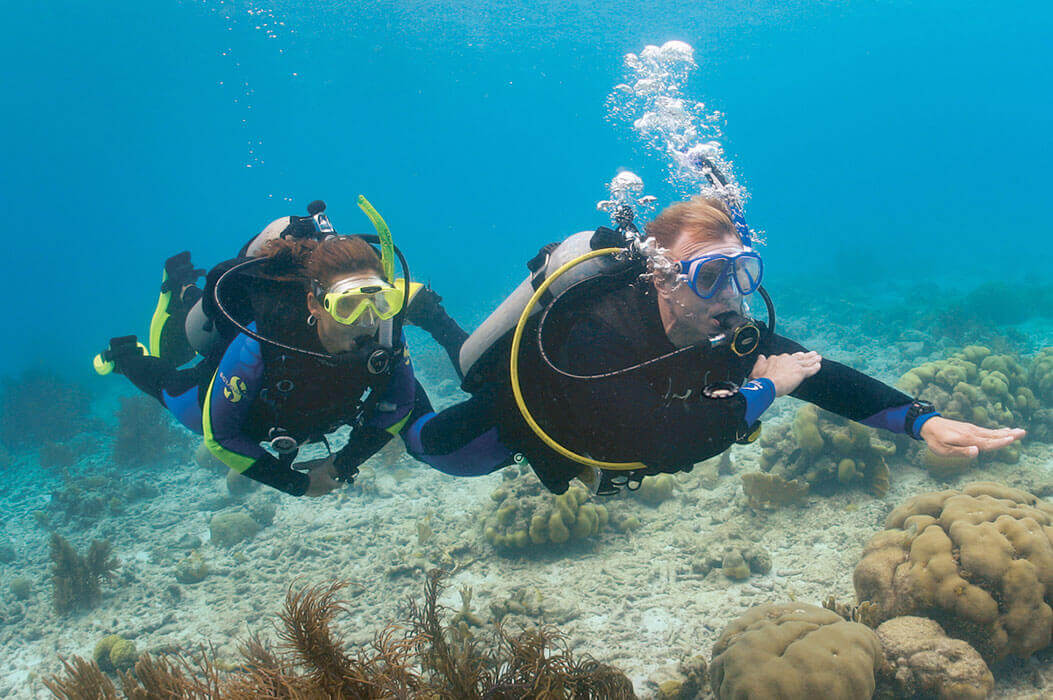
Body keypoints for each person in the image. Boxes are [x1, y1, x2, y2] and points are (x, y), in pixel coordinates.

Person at [405, 192, 1026, 495]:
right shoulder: (599, 332)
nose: (732, 295)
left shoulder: (727, 329)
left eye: (743, 272)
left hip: (621, 451)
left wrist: (922, 422)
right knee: (431, 448)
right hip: (528, 425)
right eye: (708, 275)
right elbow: (666, 440)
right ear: (659, 276)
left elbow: (816, 372)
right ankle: (419, 335)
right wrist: (766, 388)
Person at [96, 200, 468, 497]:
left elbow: (400, 405)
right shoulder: (264, 339)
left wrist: (342, 464)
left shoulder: (385, 331)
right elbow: (221, 435)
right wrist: (298, 485)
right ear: (313, 304)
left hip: (306, 414)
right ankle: (136, 344)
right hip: (245, 400)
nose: (367, 322)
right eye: (347, 305)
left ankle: (184, 294)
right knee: (180, 399)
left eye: (379, 303)